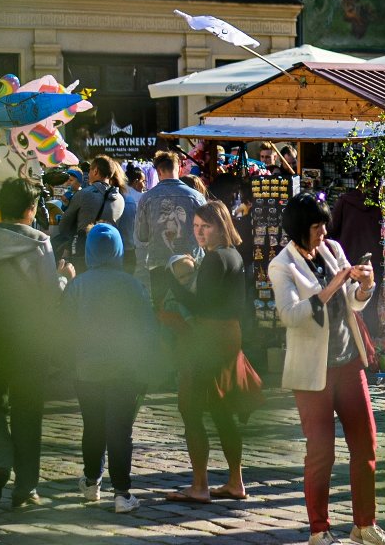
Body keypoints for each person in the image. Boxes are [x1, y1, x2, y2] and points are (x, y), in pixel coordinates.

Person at [269, 192, 385, 545]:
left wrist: (365, 286)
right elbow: (291, 316)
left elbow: (354, 304)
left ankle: (364, 524)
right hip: (313, 372)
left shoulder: (333, 249)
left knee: (366, 443)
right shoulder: (282, 265)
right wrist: (331, 287)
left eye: (325, 223)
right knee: (321, 451)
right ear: (298, 229)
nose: (323, 231)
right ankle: (319, 529)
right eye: (316, 226)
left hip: (347, 362)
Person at [0, 176, 71, 507]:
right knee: (28, 411)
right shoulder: (40, 244)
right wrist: (66, 278)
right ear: (30, 209)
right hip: (28, 340)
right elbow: (50, 297)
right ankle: (26, 486)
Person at [168, 201, 259, 504]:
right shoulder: (233, 255)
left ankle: (199, 485)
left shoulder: (214, 259)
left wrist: (169, 281)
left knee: (191, 409)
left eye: (205, 227)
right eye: (195, 227)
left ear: (220, 227)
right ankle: (236, 482)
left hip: (208, 339)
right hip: (229, 336)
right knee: (222, 411)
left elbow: (199, 304)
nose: (199, 232)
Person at [64, 220, 155, 513]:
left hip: (86, 368)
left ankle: (91, 483)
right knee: (120, 431)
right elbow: (147, 328)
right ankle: (122, 492)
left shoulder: (78, 286)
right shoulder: (132, 286)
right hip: (125, 369)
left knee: (92, 427)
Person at [136, 150, 206, 310]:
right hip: (190, 264)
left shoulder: (147, 198)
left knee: (163, 313)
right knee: (193, 310)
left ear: (158, 171)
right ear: (179, 168)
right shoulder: (196, 197)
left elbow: (142, 235)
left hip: (160, 265)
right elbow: (205, 232)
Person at [328, 180, 385, 336]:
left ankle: (354, 342)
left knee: (346, 304)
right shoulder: (381, 204)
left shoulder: (345, 201)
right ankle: (371, 343)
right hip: (373, 262)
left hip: (347, 261)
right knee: (370, 305)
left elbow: (332, 230)